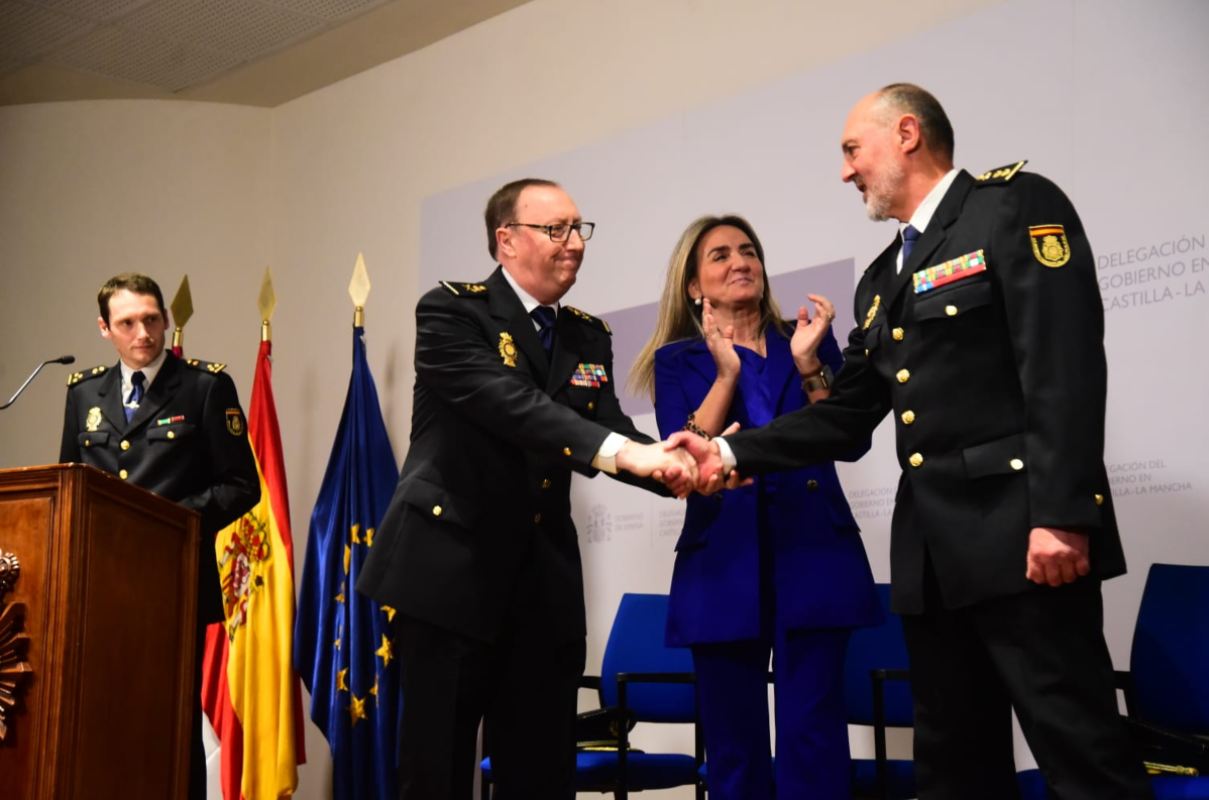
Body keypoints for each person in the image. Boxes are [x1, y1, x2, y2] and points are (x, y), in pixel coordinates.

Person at [673, 84, 1152, 799]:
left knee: (1078, 753)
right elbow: (848, 414)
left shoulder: (1011, 207)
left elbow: (1062, 365)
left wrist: (1061, 513)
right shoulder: (882, 276)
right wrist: (734, 453)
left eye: (850, 150)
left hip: (1025, 538)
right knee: (954, 764)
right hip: (933, 557)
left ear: (904, 134)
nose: (845, 172)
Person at [356, 178, 697, 800]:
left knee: (540, 771)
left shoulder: (586, 333)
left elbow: (603, 425)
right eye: (555, 230)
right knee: (437, 770)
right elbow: (512, 406)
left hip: (541, 585)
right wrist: (628, 453)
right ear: (505, 241)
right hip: (448, 575)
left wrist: (677, 464)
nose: (573, 244)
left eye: (579, 229)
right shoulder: (452, 311)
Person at [630, 214, 881, 799]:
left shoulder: (807, 341)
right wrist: (726, 374)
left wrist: (809, 364)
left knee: (812, 735)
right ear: (694, 286)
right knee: (733, 741)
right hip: (723, 558)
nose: (739, 262)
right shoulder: (678, 359)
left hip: (815, 550)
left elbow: (851, 439)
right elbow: (683, 456)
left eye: (748, 251)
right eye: (719, 255)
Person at [59, 272, 260, 800]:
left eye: (151, 319)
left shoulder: (205, 386)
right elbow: (68, 484)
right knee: (103, 715)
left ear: (166, 321)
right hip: (99, 585)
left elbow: (242, 486)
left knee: (168, 719)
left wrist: (165, 522)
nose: (142, 333)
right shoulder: (83, 394)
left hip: (173, 581)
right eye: (127, 322)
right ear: (105, 328)